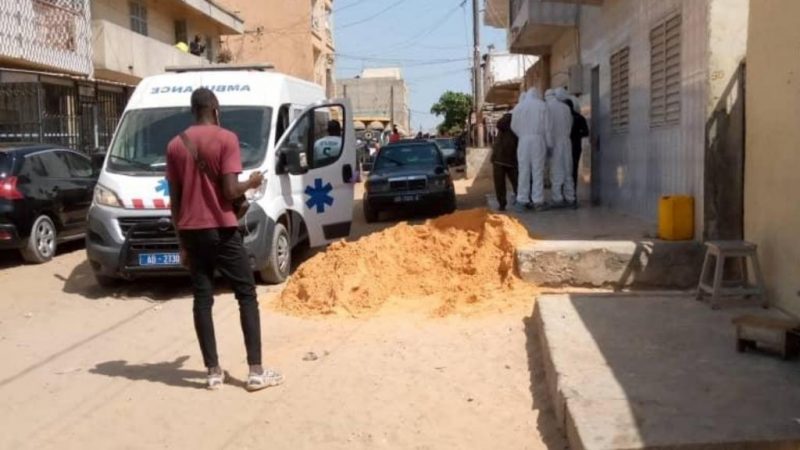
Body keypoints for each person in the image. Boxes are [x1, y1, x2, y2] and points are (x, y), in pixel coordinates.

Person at [166, 88, 283, 392]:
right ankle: (256, 372)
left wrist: (181, 242)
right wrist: (253, 181)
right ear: (215, 109)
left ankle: (212, 372)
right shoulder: (226, 139)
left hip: (191, 231)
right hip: (222, 228)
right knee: (246, 294)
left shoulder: (175, 145)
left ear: (193, 110)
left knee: (202, 299)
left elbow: (174, 201)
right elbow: (231, 191)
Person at [511, 88, 550, 211]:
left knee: (524, 170)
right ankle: (538, 200)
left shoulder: (518, 107)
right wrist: (549, 143)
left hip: (523, 141)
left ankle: (522, 200)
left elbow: (513, 126)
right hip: (538, 140)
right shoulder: (542, 106)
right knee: (537, 170)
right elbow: (548, 126)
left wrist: (522, 135)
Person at [544, 88, 575, 208]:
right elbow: (570, 124)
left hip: (554, 143)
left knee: (556, 172)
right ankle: (570, 198)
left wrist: (548, 145)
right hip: (566, 142)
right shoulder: (566, 108)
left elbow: (547, 128)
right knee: (568, 171)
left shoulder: (547, 108)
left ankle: (557, 199)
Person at [491, 113, 518, 211]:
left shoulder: (502, 128)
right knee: (515, 181)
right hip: (508, 159)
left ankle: (502, 204)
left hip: (499, 159)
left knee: (500, 184)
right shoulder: (513, 127)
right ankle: (520, 200)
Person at [563, 99, 589, 199]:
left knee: (565, 170)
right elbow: (586, 132)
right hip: (575, 146)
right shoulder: (579, 118)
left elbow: (586, 132)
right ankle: (572, 194)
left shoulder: (567, 118)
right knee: (573, 170)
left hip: (570, 146)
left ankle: (567, 194)